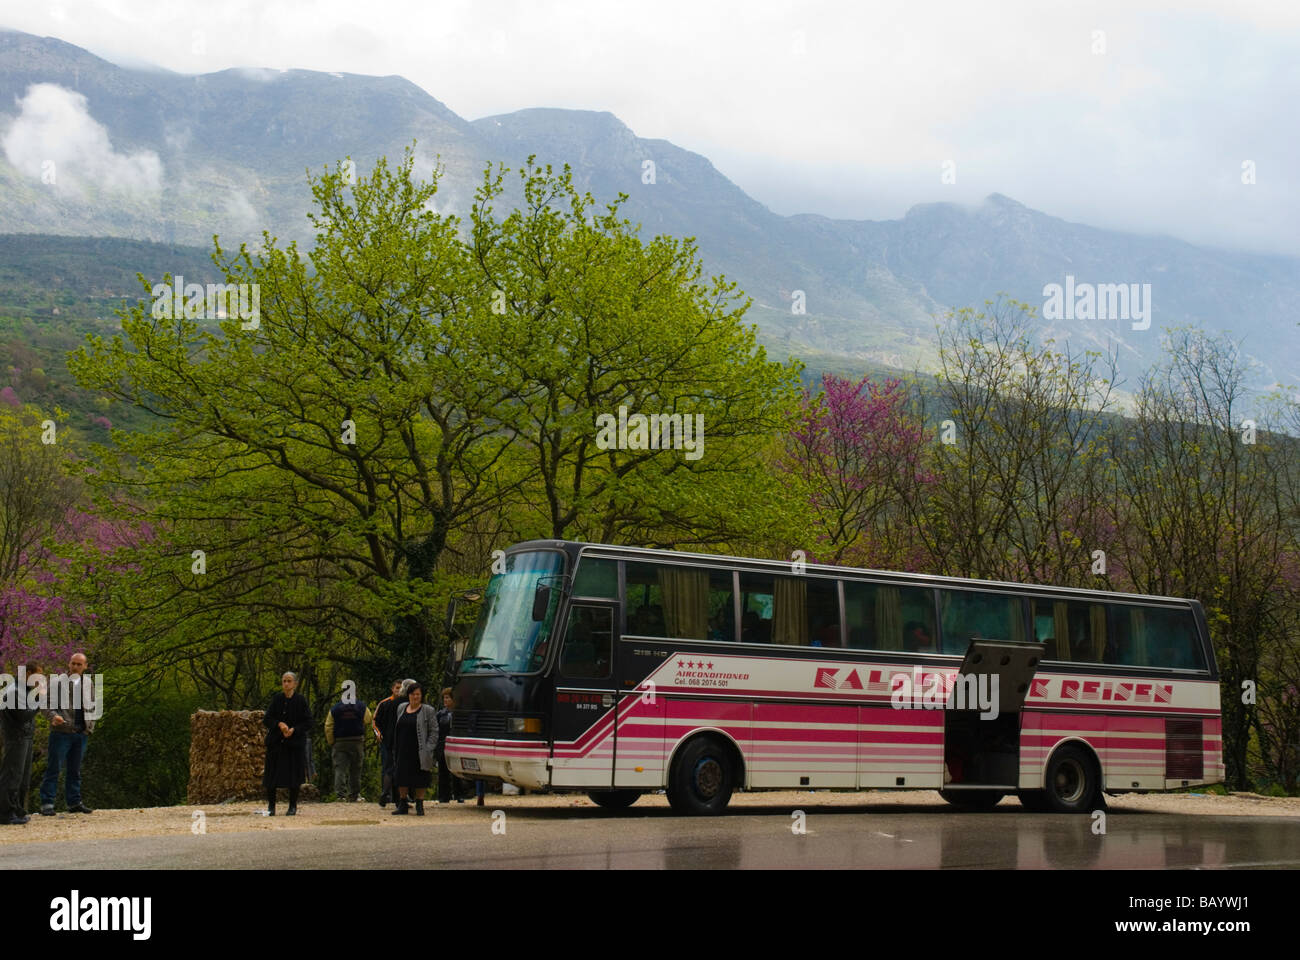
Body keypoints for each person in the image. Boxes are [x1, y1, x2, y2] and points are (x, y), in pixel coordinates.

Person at [39, 651, 95, 815]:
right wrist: (53, 716)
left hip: (81, 733)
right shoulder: (57, 682)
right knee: (54, 768)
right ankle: (47, 803)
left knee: (75, 770)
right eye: (73, 663)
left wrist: (90, 727)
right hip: (61, 732)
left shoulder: (88, 684)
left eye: (79, 664)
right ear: (69, 664)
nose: (76, 666)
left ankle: (74, 802)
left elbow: (93, 705)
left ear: (85, 666)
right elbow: (45, 704)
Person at [262, 671, 312, 816]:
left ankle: (292, 806)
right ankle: (271, 806)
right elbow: (267, 719)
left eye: (289, 681)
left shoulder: (301, 700)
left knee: (294, 776)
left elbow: (308, 721)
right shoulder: (277, 699)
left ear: (295, 684)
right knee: (271, 775)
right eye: (284, 681)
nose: (286, 684)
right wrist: (279, 724)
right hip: (276, 742)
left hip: (294, 744)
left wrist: (294, 730)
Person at [0, 664, 44, 825]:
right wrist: (39, 700)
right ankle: (5, 813)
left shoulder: (23, 689)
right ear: (28, 673)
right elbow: (23, 716)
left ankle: (16, 810)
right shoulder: (14, 691)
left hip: (25, 737)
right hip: (16, 738)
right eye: (38, 675)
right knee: (12, 776)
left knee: (22, 778)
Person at [391, 682, 438, 816]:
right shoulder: (401, 708)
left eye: (418, 694)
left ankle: (419, 804)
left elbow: (434, 731)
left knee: (420, 777)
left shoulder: (428, 710)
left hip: (420, 750)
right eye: (413, 694)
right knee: (401, 776)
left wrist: (429, 748)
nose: (415, 697)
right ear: (408, 695)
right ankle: (403, 803)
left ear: (421, 696)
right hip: (402, 748)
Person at [325, 689, 372, 802]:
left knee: (340, 769)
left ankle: (340, 795)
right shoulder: (361, 706)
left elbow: (328, 726)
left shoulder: (335, 708)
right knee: (356, 769)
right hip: (357, 741)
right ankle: (354, 795)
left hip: (340, 741)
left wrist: (331, 741)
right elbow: (368, 719)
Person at [372, 679, 403, 807]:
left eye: (401, 688)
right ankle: (385, 794)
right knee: (388, 768)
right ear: (392, 689)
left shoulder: (406, 704)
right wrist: (378, 735)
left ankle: (399, 797)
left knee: (400, 769)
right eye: (397, 688)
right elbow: (374, 722)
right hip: (387, 741)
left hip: (401, 741)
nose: (398, 690)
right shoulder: (384, 704)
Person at [435, 687, 465, 804]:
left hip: (457, 745)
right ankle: (443, 796)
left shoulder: (460, 713)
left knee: (457, 771)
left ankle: (459, 794)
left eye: (447, 697)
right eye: (444, 698)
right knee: (443, 771)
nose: (445, 700)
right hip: (443, 744)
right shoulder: (440, 714)